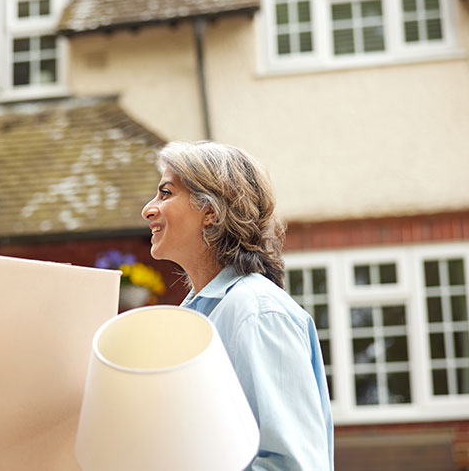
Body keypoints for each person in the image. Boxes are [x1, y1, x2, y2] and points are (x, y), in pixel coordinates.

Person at [141, 140, 334, 470]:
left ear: (210, 212)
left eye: (166, 193)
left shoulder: (256, 312)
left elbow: (292, 465)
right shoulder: (200, 315)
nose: (148, 209)